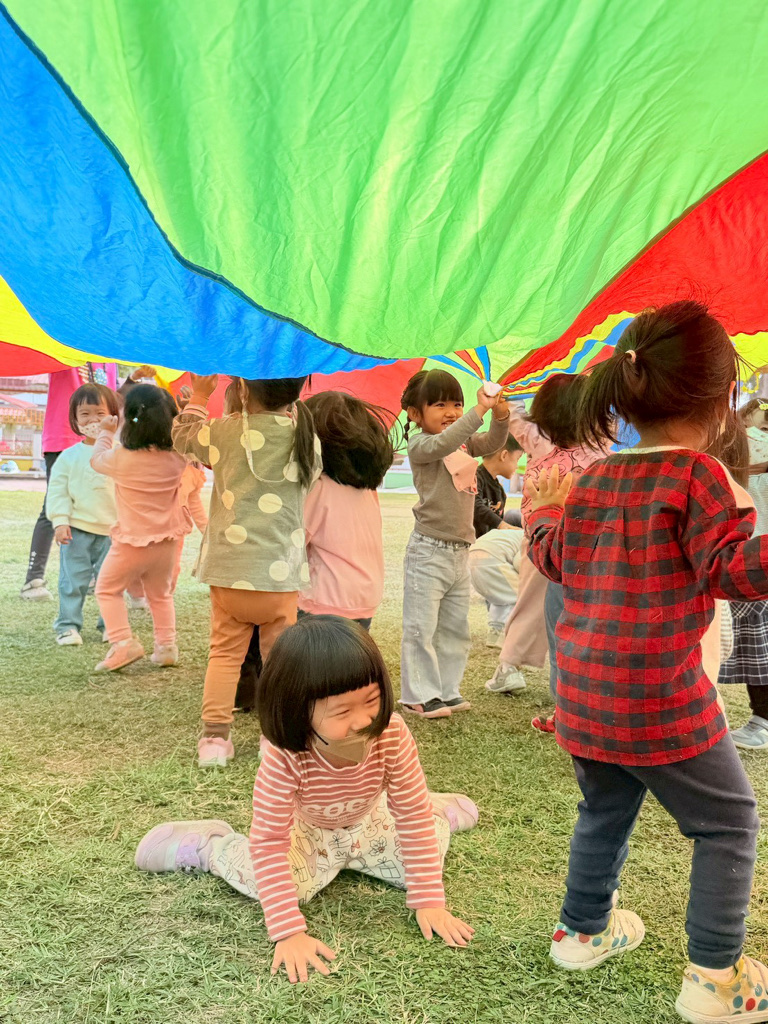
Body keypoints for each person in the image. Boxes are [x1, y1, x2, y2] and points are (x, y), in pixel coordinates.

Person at [526, 301, 768, 1022]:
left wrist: (542, 513)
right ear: (721, 400)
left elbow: (556, 559)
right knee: (728, 822)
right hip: (659, 694)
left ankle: (581, 934)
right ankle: (715, 978)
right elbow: (731, 570)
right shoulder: (697, 477)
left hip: (583, 694)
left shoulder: (595, 479)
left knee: (604, 806)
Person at [134, 616, 478, 983]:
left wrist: (430, 902)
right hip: (310, 833)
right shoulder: (285, 757)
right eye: (342, 711)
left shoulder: (392, 733)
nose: (363, 721)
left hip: (370, 823)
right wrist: (288, 933)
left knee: (426, 848)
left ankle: (435, 808)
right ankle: (213, 847)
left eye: (372, 701)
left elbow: (411, 815)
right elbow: (269, 842)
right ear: (298, 709)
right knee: (277, 885)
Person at [172, 374, 321, 767]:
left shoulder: (224, 431)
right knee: (278, 664)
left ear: (241, 389)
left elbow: (183, 438)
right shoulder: (305, 437)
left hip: (229, 571)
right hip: (279, 578)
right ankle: (275, 742)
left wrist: (200, 396)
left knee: (224, 655)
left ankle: (214, 740)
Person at [485, 374, 608, 701]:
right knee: (581, 612)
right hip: (586, 545)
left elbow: (516, 417)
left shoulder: (539, 438)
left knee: (530, 604)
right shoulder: (598, 447)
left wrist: (509, 388)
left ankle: (509, 666)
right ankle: (573, 679)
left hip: (542, 539)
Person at [399, 370, 510, 718]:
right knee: (420, 627)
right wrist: (478, 411)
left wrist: (501, 415)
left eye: (456, 403)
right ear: (415, 414)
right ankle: (418, 695)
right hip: (428, 550)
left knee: (454, 629)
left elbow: (491, 443)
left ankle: (447, 691)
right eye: (440, 405)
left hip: (460, 552)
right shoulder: (421, 445)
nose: (451, 411)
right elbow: (444, 442)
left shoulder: (462, 442)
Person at [20, 363, 154, 601]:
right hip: (63, 439)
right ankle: (34, 579)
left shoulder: (107, 363)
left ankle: (94, 574)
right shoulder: (66, 352)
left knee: (100, 503)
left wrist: (133, 379)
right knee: (54, 505)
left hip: (99, 443)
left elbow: (111, 402)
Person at [91, 385, 190, 672]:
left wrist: (105, 433)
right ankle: (166, 647)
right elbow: (186, 439)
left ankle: (123, 642)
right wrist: (185, 415)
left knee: (107, 590)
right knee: (161, 595)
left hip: (132, 543)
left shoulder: (121, 458)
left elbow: (96, 460)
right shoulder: (177, 458)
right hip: (167, 543)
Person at [300, 391, 394, 628]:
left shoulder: (318, 488)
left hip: (324, 600)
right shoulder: (367, 490)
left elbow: (293, 541)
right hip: (365, 598)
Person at [44, 383, 120, 645]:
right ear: (74, 419)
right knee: (72, 581)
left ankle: (112, 626)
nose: (93, 420)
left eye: (100, 413)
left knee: (112, 583)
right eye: (85, 414)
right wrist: (60, 522)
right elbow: (58, 492)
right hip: (76, 531)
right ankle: (68, 626)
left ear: (113, 416)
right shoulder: (68, 457)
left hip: (114, 532)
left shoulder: (121, 453)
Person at [720, 400, 768, 749]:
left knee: (758, 644)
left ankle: (762, 722)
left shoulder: (743, 442)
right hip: (749, 560)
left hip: (749, 561)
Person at [468, 525, 524, 647]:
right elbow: (519, 562)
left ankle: (495, 634)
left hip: (471, 559)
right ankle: (508, 637)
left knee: (498, 598)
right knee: (521, 596)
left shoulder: (514, 535)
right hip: (493, 558)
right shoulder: (529, 539)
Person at [473, 436, 522, 538]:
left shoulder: (500, 490)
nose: (517, 466)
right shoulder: (475, 477)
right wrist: (500, 524)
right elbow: (474, 504)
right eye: (517, 459)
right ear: (504, 455)